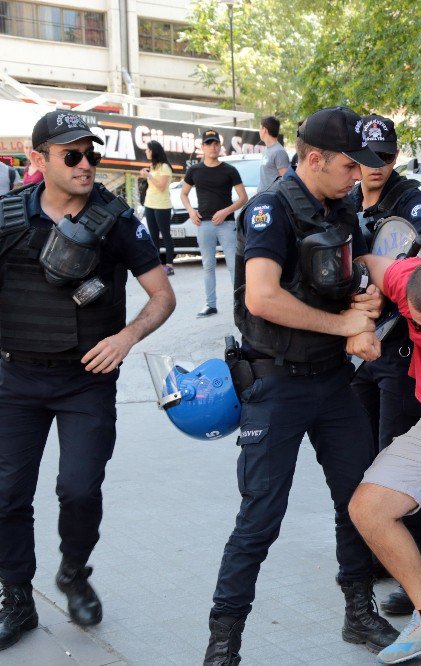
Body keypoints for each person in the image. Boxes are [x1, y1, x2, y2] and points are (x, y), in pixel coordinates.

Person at [202, 106, 398, 666]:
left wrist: (367, 299)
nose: (358, 175)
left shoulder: (342, 207)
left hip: (334, 383)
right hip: (277, 383)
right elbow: (261, 297)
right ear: (314, 158)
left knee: (357, 502)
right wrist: (344, 324)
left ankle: (359, 611)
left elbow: (357, 274)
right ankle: (224, 640)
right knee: (260, 515)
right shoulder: (269, 209)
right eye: (349, 165)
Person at [0, 110, 175, 651]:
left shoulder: (117, 219)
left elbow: (163, 296)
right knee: (7, 493)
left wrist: (125, 338)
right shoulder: (7, 217)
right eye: (71, 155)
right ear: (38, 161)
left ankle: (73, 572)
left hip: (86, 381)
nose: (85, 165)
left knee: (78, 488)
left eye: (90, 154)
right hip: (16, 379)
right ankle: (17, 598)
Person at [348, 113, 421, 616]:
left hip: (398, 352)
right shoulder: (343, 197)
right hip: (354, 351)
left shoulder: (407, 198)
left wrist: (419, 257)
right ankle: (389, 555)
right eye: (365, 159)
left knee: (402, 466)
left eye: (384, 157)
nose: (374, 168)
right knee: (363, 458)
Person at [180, 129, 247, 317]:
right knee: (208, 266)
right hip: (204, 225)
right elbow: (183, 194)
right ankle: (211, 304)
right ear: (202, 147)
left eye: (216, 143)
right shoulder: (194, 170)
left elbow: (243, 198)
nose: (213, 147)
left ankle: (240, 303)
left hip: (226, 224)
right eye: (209, 143)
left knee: (234, 265)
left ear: (220, 146)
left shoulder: (229, 170)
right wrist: (191, 211)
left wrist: (225, 211)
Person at [139, 140, 175, 275]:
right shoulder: (153, 166)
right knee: (153, 236)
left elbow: (161, 187)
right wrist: (148, 173)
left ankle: (169, 264)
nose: (146, 152)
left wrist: (149, 175)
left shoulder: (165, 167)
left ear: (153, 151)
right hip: (150, 204)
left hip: (162, 205)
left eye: (147, 150)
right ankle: (157, 264)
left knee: (165, 235)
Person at [258, 115, 290, 187]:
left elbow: (286, 180)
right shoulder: (267, 149)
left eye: (260, 128)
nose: (259, 131)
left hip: (272, 197)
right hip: (263, 196)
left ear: (264, 130)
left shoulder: (279, 152)